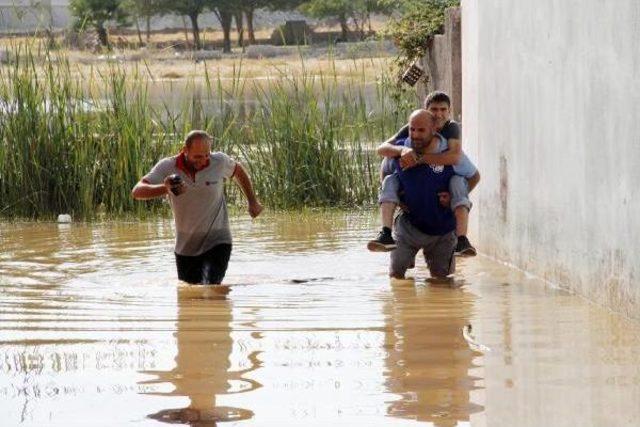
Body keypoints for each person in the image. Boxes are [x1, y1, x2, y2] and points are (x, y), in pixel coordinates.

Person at [131, 130, 263, 285]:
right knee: (190, 293)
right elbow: (137, 191)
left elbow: (238, 171)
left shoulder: (219, 162)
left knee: (209, 286)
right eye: (198, 156)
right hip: (185, 247)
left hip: (218, 240)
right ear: (185, 150)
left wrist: (252, 201)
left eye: (207, 154)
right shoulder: (168, 166)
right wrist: (165, 188)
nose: (204, 160)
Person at [368, 91, 480, 256]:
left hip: (443, 188)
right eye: (434, 110)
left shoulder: (451, 128)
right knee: (391, 180)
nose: (439, 114)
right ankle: (386, 233)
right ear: (426, 111)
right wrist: (402, 150)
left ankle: (462, 240)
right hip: (415, 195)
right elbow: (383, 150)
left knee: (457, 183)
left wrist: (418, 159)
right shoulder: (413, 129)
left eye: (443, 110)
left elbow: (455, 157)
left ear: (449, 112)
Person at [381, 109, 458, 280]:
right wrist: (397, 199)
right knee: (396, 278)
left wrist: (455, 197)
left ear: (434, 130)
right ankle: (387, 236)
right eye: (412, 130)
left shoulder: (450, 154)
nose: (415, 135)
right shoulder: (399, 149)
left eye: (421, 130)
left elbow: (473, 176)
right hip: (409, 227)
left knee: (442, 281)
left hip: (442, 231)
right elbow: (383, 161)